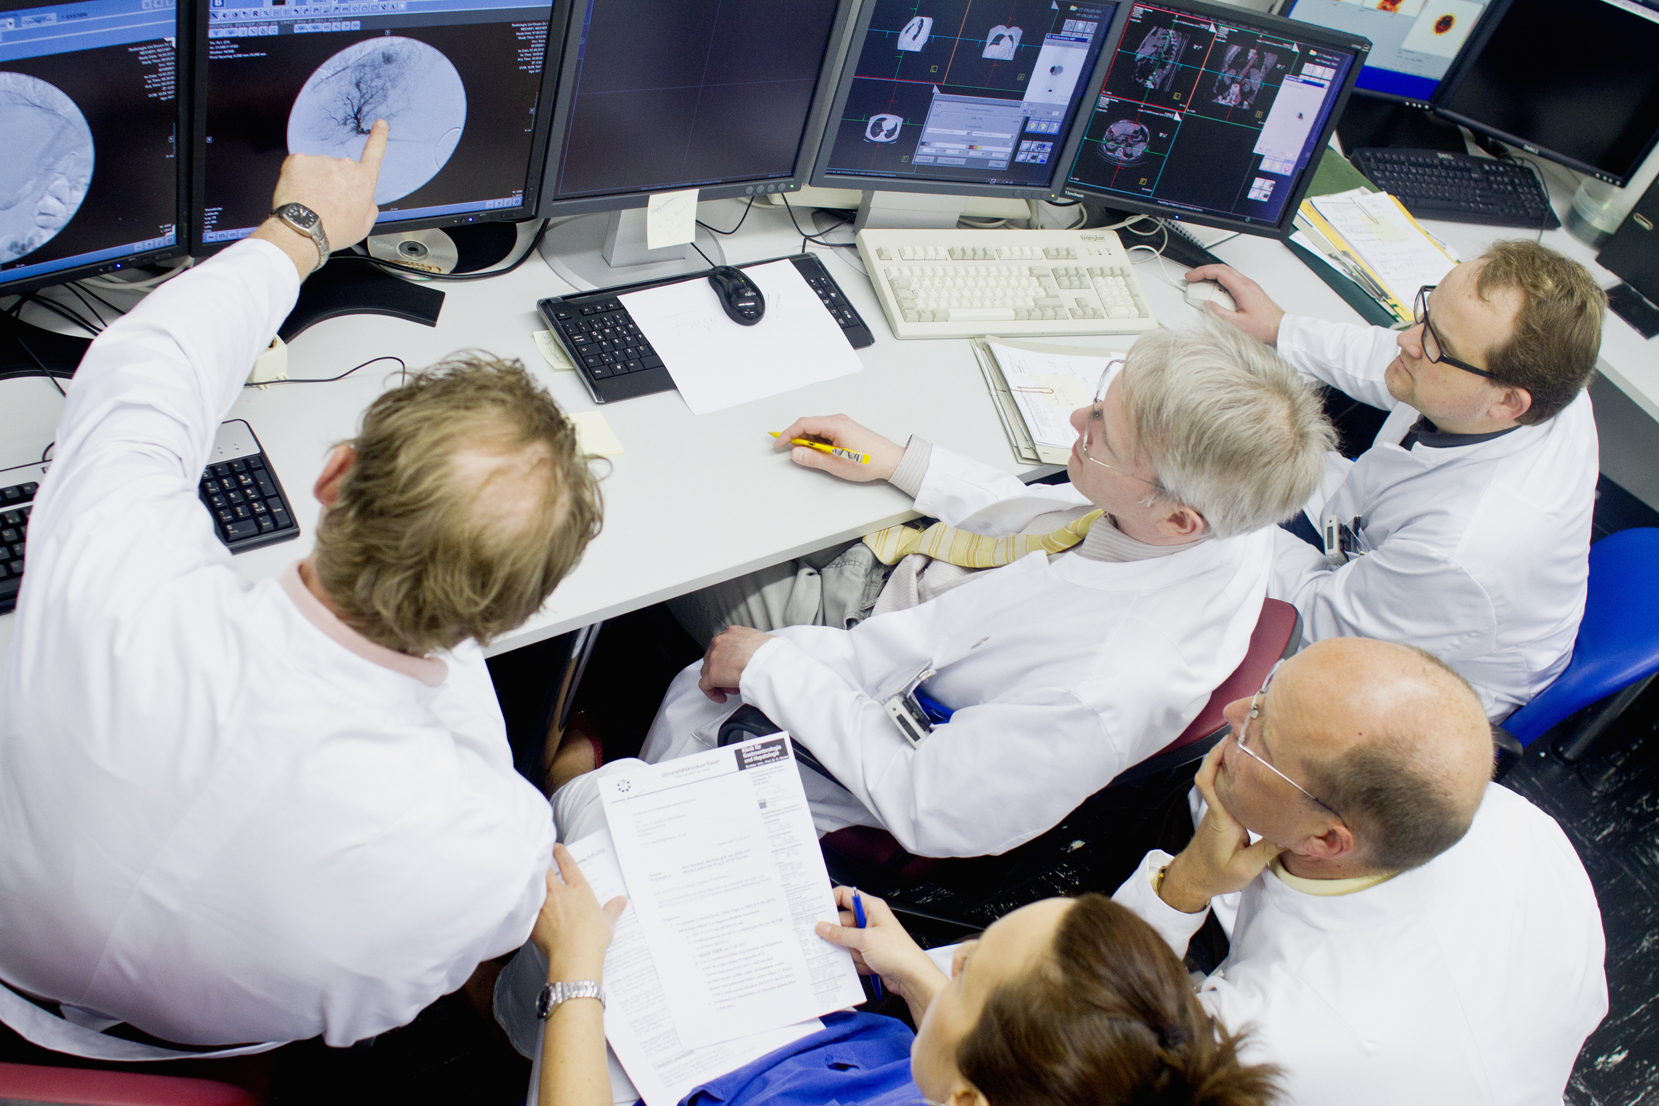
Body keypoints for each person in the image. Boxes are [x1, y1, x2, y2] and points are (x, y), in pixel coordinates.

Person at [0, 122, 602, 1057]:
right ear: (512, 616)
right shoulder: (491, 848)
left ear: (332, 477)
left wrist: (302, 228)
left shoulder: (115, 569)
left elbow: (143, 369)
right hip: (187, 1048)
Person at [605, 319, 1334, 859]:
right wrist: (903, 463)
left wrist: (768, 667)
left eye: (1099, 435)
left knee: (665, 535)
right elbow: (1051, 522)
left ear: (1178, 517)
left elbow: (931, 807)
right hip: (936, 588)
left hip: (868, 675)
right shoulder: (1236, 502)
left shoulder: (1103, 686)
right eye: (1099, 405)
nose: (1077, 422)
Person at [1114, 636, 1607, 1104]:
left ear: (1327, 841)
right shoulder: (1524, 826)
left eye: (1258, 733)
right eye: (1270, 687)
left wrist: (1188, 881)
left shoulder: (1265, 1041)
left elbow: (1081, 1024)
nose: (1233, 711)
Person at [505, 847, 1281, 1106]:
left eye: (968, 972)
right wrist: (915, 973)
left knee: (568, 914)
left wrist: (576, 972)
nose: (955, 957)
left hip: (695, 1074)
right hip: (815, 1055)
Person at [1188, 242, 1605, 721]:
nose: (1408, 339)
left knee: (1185, 547)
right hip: (1367, 542)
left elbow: (1311, 623)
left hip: (1404, 681)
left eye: (1437, 344)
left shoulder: (1465, 549)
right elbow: (1389, 363)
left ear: (1509, 403)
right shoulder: (1520, 379)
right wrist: (1282, 328)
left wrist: (1215, 502)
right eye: (1426, 314)